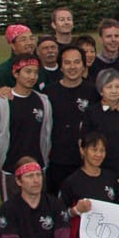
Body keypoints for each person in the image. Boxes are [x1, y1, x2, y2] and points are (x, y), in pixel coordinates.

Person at [0, 55, 52, 202]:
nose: (32, 76)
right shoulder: (1, 103)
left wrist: (44, 163)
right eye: (27, 71)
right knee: (13, 216)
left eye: (35, 72)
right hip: (10, 171)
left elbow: (46, 135)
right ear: (15, 73)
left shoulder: (43, 101)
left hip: (36, 170)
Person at [43, 45, 99, 194]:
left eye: (76, 62)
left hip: (85, 162)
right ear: (60, 66)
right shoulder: (48, 93)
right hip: (57, 161)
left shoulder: (93, 92)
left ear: (83, 65)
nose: (72, 67)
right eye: (67, 63)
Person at [80, 69, 119, 204]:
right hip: (101, 170)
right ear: (101, 90)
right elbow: (83, 142)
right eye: (109, 87)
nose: (114, 90)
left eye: (117, 86)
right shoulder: (92, 113)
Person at [59, 131, 119, 238]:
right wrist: (76, 210)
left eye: (102, 150)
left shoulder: (111, 178)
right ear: (83, 151)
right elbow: (60, 215)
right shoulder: (71, 182)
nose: (98, 154)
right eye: (94, 150)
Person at [0, 24, 36, 98]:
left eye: (32, 38)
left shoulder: (38, 66)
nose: (29, 43)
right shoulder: (3, 72)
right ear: (12, 45)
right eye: (23, 39)